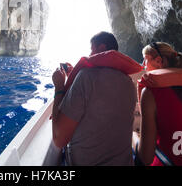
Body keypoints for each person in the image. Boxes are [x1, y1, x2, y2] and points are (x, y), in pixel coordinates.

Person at [51, 31, 137, 165]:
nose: (90, 55)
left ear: (101, 48)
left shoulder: (86, 77)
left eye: (91, 50)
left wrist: (59, 87)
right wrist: (74, 80)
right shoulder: (129, 83)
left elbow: (58, 139)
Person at [133, 42, 182, 166]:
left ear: (158, 61)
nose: (143, 66)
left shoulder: (150, 93)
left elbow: (146, 158)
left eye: (145, 60)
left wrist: (133, 137)